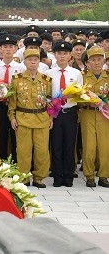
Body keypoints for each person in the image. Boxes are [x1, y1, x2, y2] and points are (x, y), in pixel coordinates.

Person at [9, 49, 51, 188]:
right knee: (23, 151)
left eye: (35, 59)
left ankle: (39, 178)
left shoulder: (46, 80)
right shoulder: (17, 79)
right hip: (23, 118)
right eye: (29, 59)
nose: (33, 62)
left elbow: (50, 101)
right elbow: (12, 101)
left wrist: (51, 117)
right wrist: (12, 117)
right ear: (24, 62)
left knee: (42, 151)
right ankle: (24, 177)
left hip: (42, 118)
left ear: (39, 61)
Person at [45, 40, 83, 188]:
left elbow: (81, 93)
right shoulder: (48, 74)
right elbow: (46, 94)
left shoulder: (76, 73)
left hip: (70, 112)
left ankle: (68, 176)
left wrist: (72, 96)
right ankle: (57, 175)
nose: (62, 56)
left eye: (65, 53)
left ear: (70, 56)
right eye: (59, 53)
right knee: (56, 144)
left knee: (69, 144)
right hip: (55, 113)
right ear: (54, 55)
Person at [81, 46, 109, 188]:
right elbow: (77, 97)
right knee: (89, 146)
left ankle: (103, 176)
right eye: (93, 60)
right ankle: (89, 176)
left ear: (103, 61)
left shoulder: (107, 77)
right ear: (88, 63)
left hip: (104, 115)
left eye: (99, 59)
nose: (96, 62)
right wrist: (87, 101)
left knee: (105, 146)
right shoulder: (83, 77)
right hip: (88, 113)